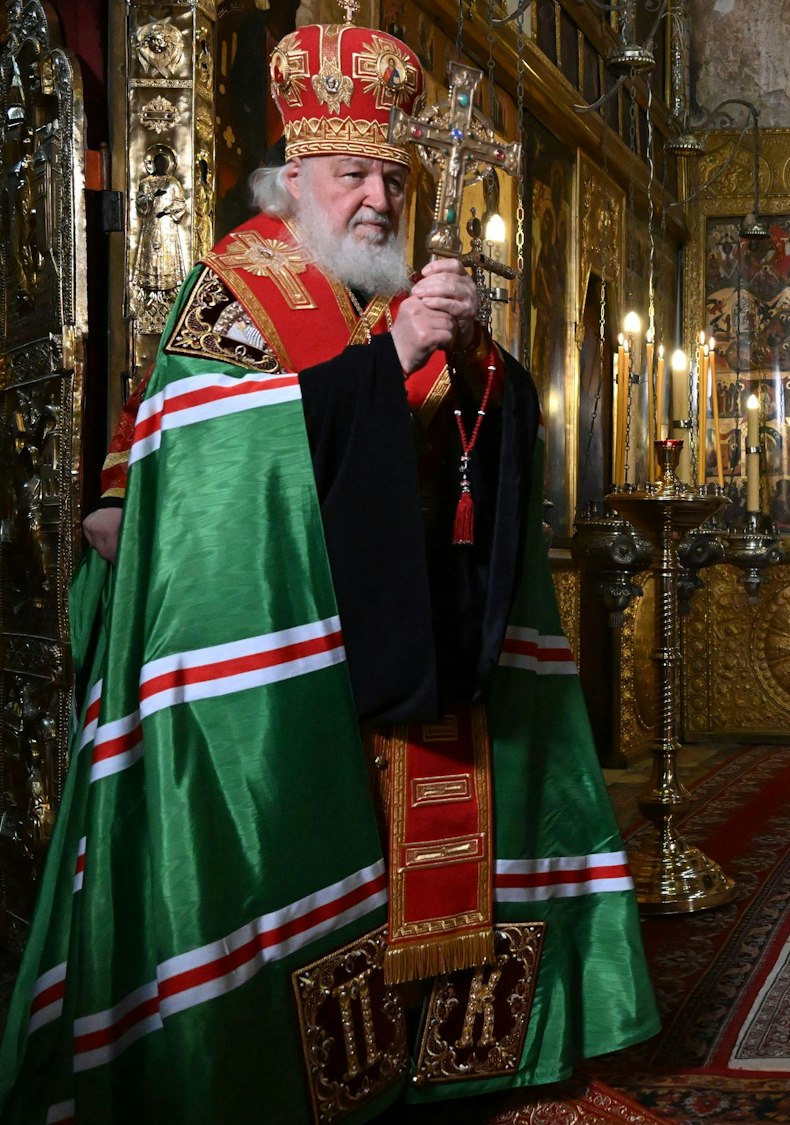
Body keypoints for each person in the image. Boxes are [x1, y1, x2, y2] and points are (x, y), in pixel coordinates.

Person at [1, 19, 657, 1123]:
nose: (377, 199)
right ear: (293, 177)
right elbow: (205, 452)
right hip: (288, 653)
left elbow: (440, 437)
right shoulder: (238, 283)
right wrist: (391, 359)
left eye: (391, 178)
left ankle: (437, 1062)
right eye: (353, 174)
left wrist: (474, 363)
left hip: (407, 638)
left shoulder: (377, 286)